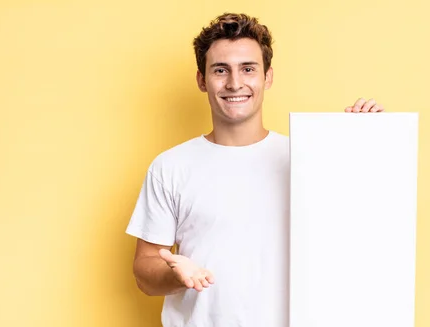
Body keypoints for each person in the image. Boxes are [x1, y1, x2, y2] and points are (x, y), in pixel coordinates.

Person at [125, 12, 385, 327]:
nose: (235, 83)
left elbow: (364, 234)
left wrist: (365, 146)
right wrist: (177, 275)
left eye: (248, 69)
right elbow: (145, 272)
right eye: (220, 70)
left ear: (268, 77)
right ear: (201, 80)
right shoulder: (170, 167)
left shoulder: (306, 159)